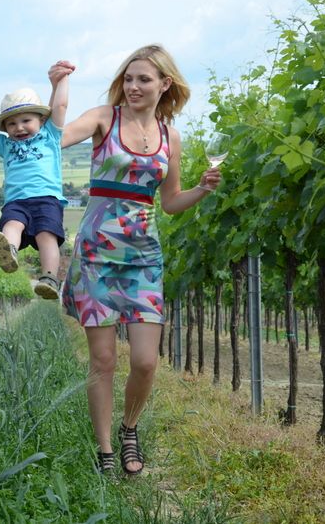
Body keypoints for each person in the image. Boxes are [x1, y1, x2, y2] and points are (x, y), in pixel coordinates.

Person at [54, 45, 221, 475]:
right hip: (95, 254)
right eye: (128, 78)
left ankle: (131, 428)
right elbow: (56, 137)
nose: (133, 86)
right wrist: (59, 89)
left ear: (165, 84)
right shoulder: (104, 118)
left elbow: (169, 202)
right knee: (104, 360)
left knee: (146, 361)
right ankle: (107, 451)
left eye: (143, 79)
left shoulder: (170, 136)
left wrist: (202, 189)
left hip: (144, 256)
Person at [0, 62, 74, 299]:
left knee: (46, 236)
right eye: (11, 123)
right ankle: (8, 251)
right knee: (11, 225)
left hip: (46, 199)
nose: (19, 127)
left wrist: (62, 79)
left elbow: (60, 104)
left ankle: (50, 277)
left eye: (26, 121)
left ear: (41, 120)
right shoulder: (5, 145)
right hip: (16, 201)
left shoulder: (50, 135)